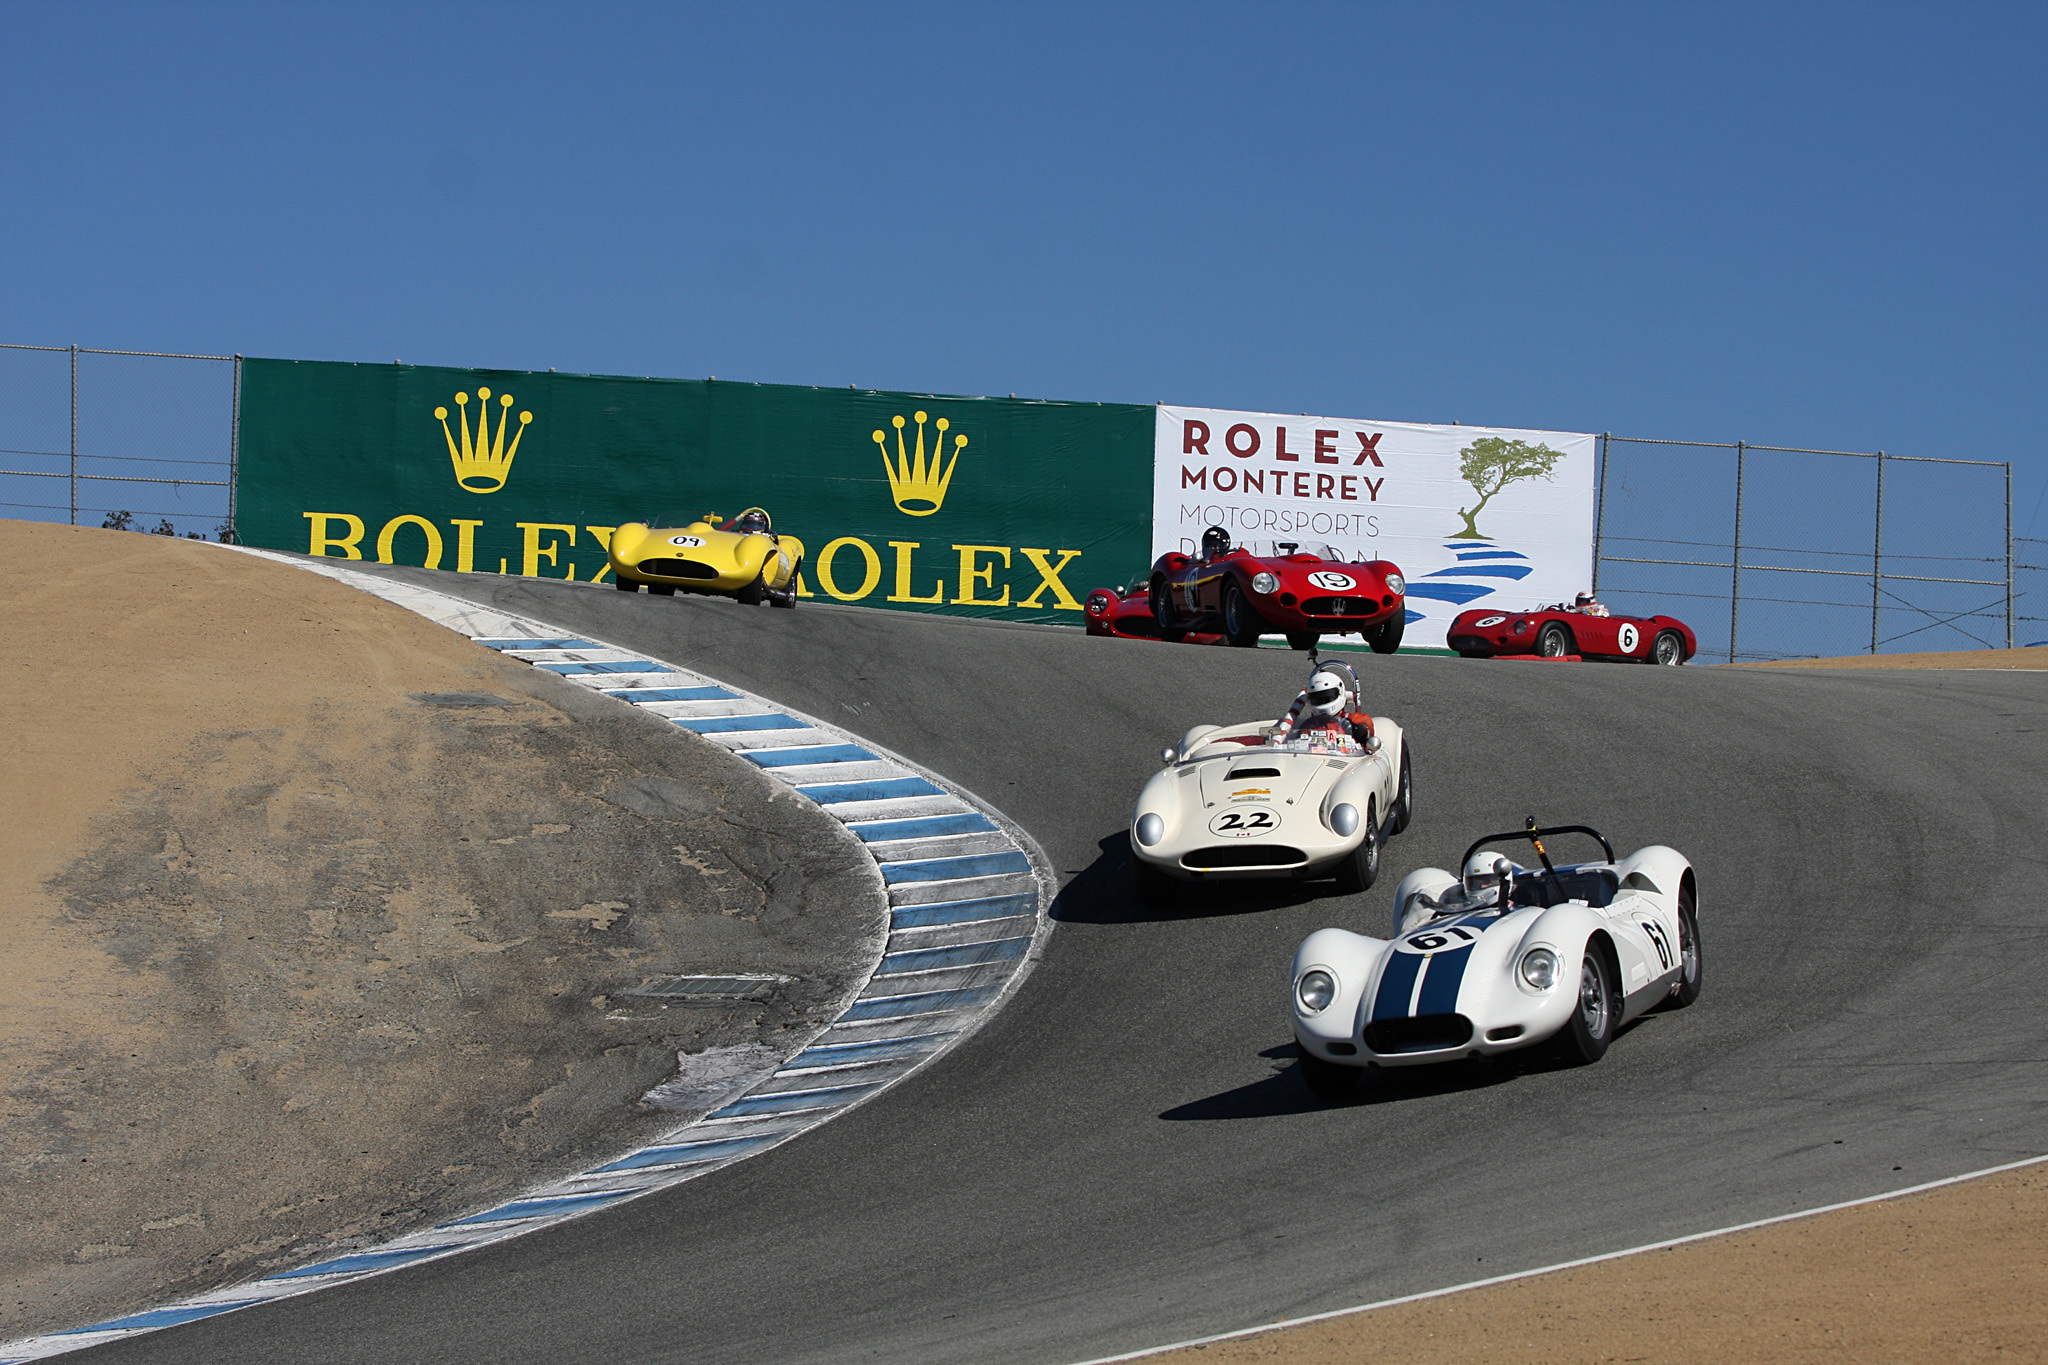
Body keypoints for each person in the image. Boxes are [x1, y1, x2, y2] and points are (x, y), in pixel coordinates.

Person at [1278, 661, 1375, 751]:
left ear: (1341, 693)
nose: (1322, 702)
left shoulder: (1357, 719)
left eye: (1327, 698)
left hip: (1348, 761)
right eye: (1317, 699)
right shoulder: (1309, 726)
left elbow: (1367, 730)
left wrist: (1358, 729)